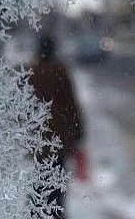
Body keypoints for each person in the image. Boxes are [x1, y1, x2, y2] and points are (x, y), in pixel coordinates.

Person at [28, 33, 84, 219]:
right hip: (58, 138)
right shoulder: (60, 71)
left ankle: (37, 213)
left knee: (40, 182)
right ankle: (54, 214)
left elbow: (24, 105)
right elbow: (71, 104)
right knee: (57, 184)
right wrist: (78, 132)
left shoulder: (32, 72)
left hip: (38, 138)